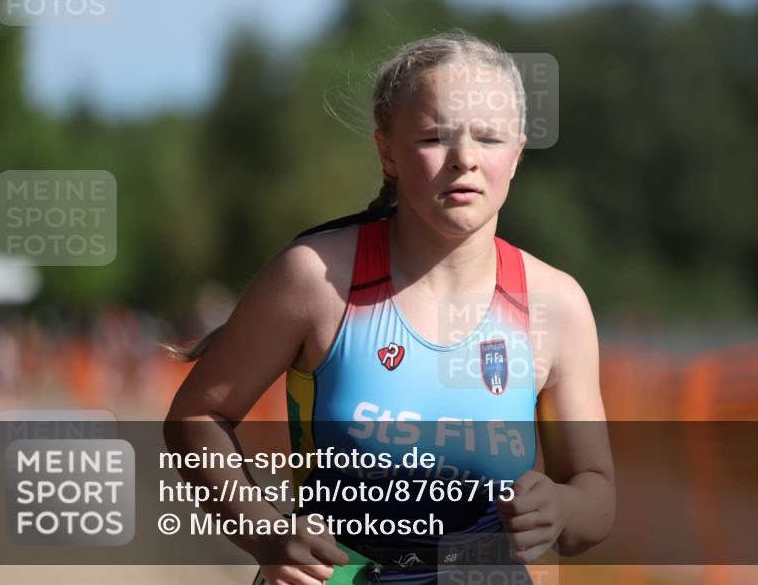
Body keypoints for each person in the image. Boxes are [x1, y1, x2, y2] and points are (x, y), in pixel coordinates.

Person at [164, 29, 614, 585]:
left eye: (490, 139)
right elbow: (195, 418)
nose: (465, 160)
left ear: (517, 155)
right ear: (388, 151)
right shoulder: (314, 278)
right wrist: (264, 533)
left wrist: (564, 510)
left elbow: (595, 491)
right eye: (434, 137)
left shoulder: (555, 303)